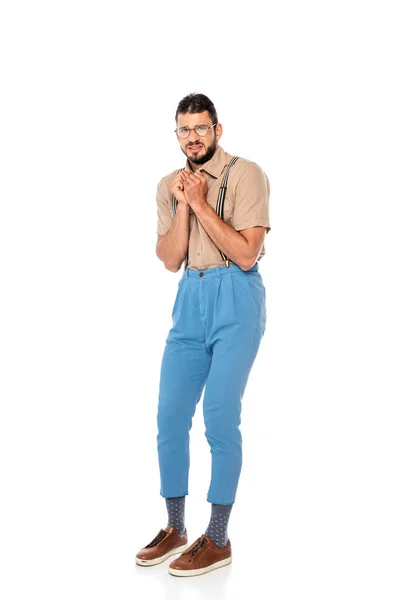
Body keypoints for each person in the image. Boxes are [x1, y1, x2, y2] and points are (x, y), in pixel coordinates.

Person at [136, 93, 271, 577]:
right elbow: (171, 259)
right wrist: (184, 206)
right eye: (184, 130)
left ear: (217, 130)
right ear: (177, 135)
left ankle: (217, 538)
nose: (192, 137)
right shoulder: (166, 186)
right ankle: (175, 527)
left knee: (218, 413)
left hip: (235, 296)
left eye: (201, 128)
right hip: (188, 299)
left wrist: (199, 201)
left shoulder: (246, 174)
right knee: (170, 415)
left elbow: (246, 253)